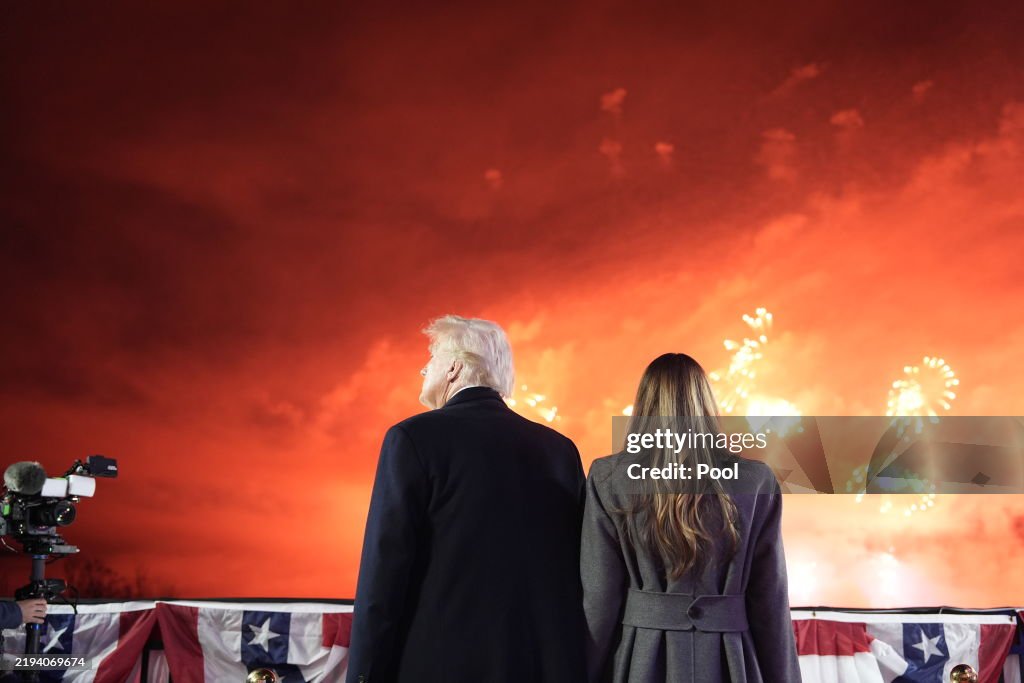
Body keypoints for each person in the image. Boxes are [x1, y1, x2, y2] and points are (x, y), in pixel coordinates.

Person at [346, 315, 587, 683]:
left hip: (438, 665)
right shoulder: (560, 450)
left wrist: (364, 675)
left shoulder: (412, 438)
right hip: (541, 666)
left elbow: (385, 571)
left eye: (432, 358)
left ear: (455, 367)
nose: (424, 368)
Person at [580, 353, 802, 682]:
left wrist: (581, 670)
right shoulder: (756, 479)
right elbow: (769, 599)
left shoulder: (608, 476)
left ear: (644, 404)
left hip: (641, 660)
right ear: (706, 403)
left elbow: (599, 598)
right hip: (731, 660)